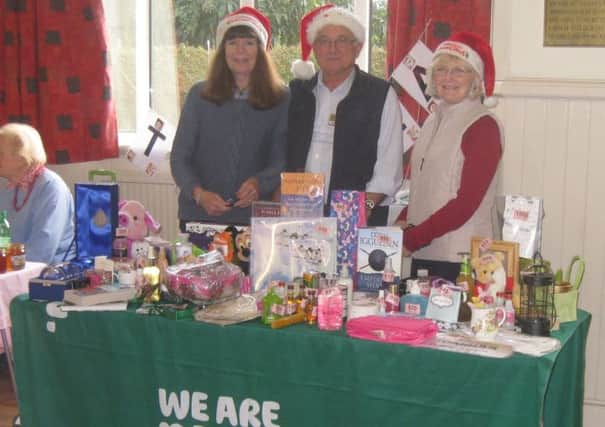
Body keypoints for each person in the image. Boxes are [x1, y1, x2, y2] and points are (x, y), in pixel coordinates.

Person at [399, 31, 504, 281]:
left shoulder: (482, 126)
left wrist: (412, 239)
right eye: (441, 69)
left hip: (462, 260)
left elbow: (466, 202)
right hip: (425, 251)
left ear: (476, 79)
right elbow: (424, 187)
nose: (448, 77)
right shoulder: (432, 120)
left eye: (459, 70)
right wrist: (403, 221)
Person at [171, 6, 289, 228]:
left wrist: (259, 183)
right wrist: (199, 194)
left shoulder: (281, 98)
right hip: (200, 216)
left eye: (249, 42)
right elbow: (180, 157)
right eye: (232, 42)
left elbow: (281, 159)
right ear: (222, 49)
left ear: (261, 50)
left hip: (254, 222)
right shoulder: (199, 95)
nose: (240, 51)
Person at [286, 4, 403, 225]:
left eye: (341, 40)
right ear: (315, 48)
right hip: (300, 218)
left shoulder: (380, 95)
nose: (332, 48)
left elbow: (390, 170)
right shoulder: (297, 94)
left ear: (357, 48)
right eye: (324, 41)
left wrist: (363, 208)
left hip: (359, 220)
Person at [0, 123, 76, 264]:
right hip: (12, 268)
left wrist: (6, 263)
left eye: (1, 153)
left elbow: (41, 252)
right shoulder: (7, 186)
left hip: (48, 275)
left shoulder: (52, 188)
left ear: (21, 157)